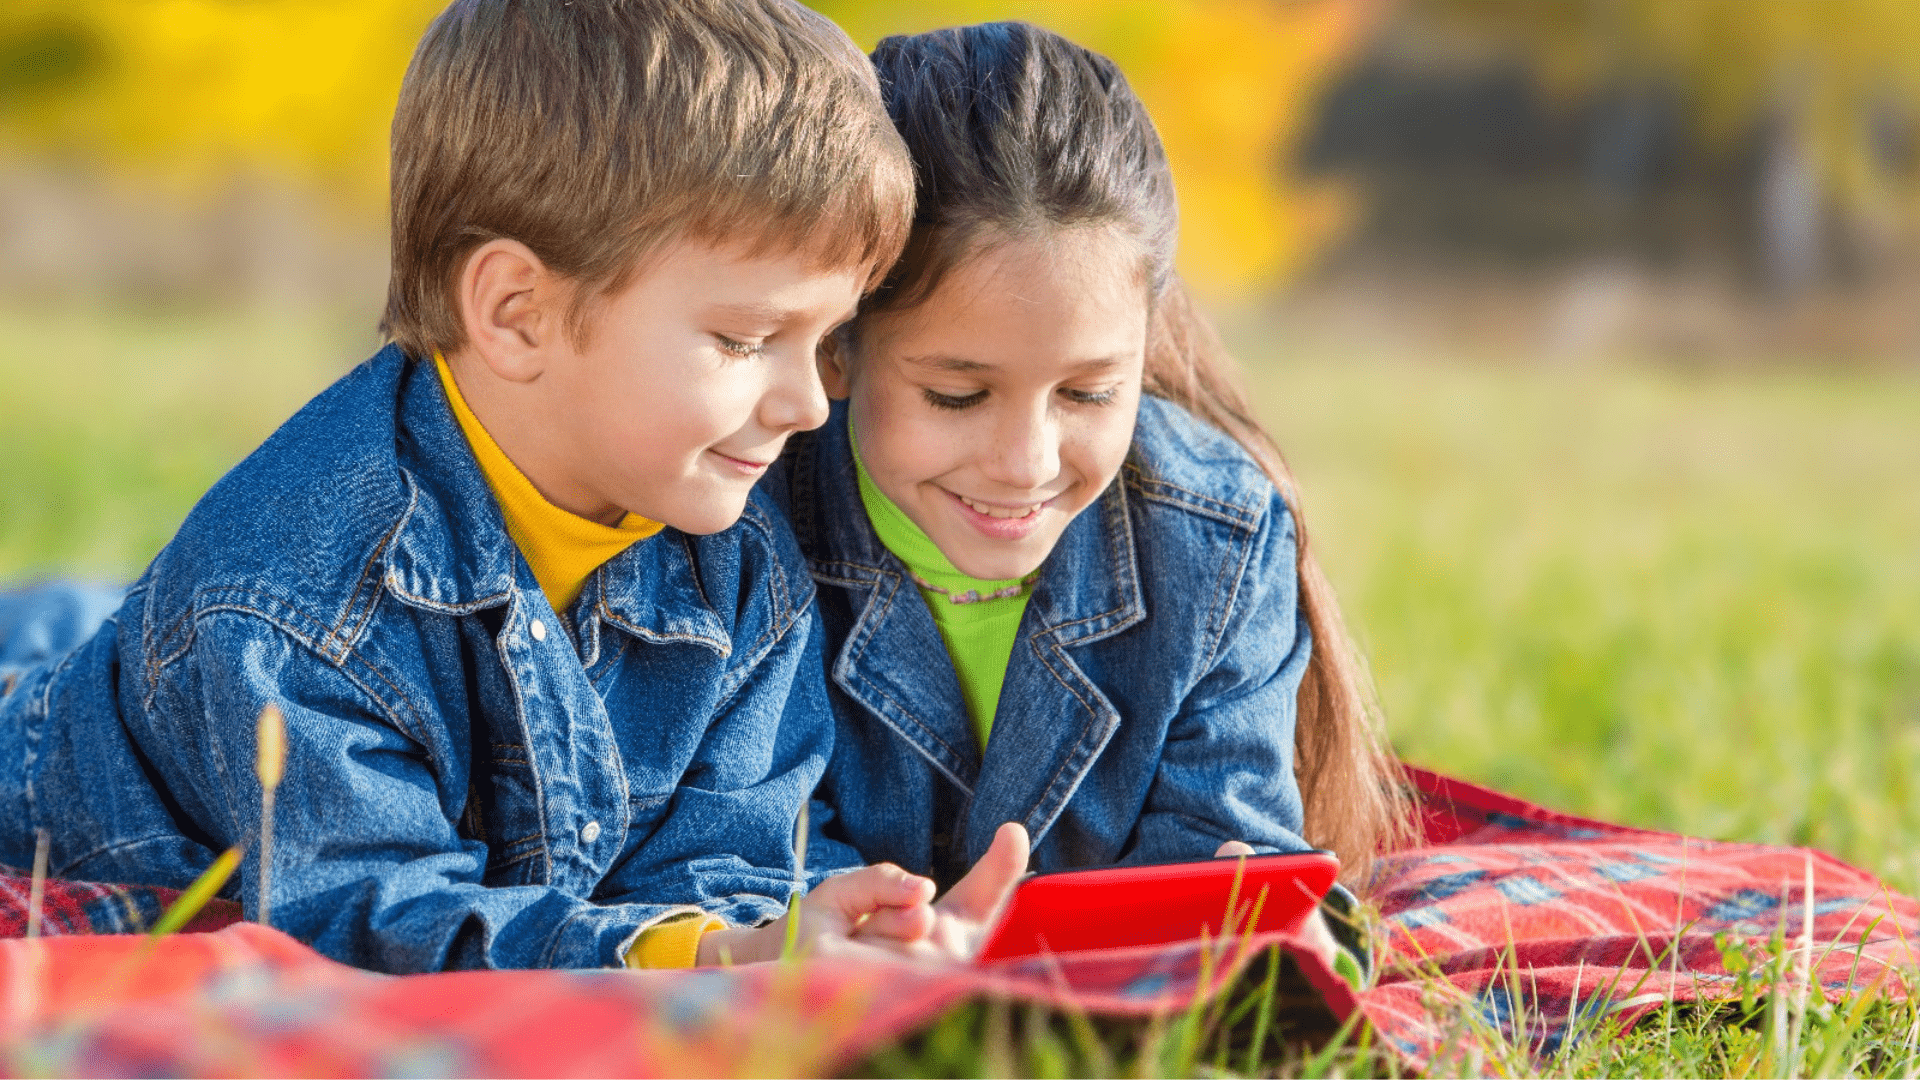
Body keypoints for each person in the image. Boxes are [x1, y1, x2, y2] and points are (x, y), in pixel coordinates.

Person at [0, 0, 953, 974]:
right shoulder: (297, 600)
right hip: (85, 825)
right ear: (516, 312)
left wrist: (773, 940)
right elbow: (373, 923)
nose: (808, 404)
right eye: (747, 340)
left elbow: (732, 857)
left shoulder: (737, 553)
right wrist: (686, 961)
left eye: (828, 339)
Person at [775, 21, 1413, 974]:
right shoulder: (747, 516)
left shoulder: (1215, 539)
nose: (1025, 462)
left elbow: (1220, 868)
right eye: (956, 395)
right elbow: (741, 861)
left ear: (1142, 345)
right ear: (840, 344)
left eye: (1087, 394)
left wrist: (1247, 928)